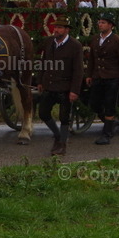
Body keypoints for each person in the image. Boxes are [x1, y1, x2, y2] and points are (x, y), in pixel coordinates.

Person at [37, 19, 84, 155]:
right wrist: (40, 81)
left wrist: (74, 90)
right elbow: (43, 62)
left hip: (65, 87)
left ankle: (62, 145)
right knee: (43, 113)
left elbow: (78, 70)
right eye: (55, 27)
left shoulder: (75, 45)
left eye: (59, 28)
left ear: (67, 30)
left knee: (64, 117)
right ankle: (58, 136)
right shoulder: (49, 42)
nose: (56, 30)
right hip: (49, 84)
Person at [86, 14, 119, 145]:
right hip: (98, 76)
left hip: (112, 77)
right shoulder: (95, 39)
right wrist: (89, 74)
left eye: (103, 23)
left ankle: (107, 134)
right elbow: (92, 59)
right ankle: (110, 123)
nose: (100, 25)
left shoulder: (117, 40)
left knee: (110, 104)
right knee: (94, 103)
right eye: (99, 22)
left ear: (110, 25)